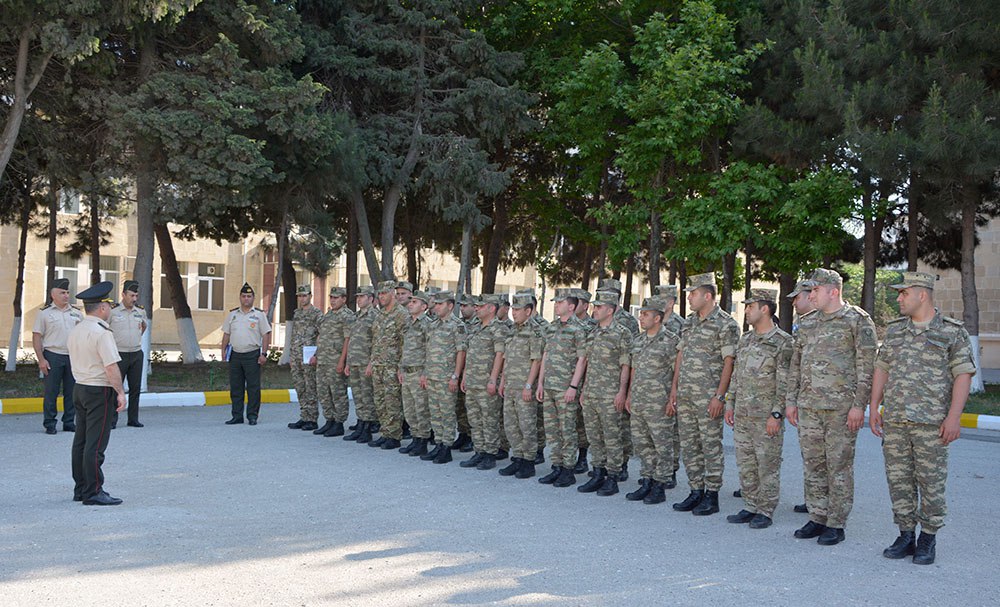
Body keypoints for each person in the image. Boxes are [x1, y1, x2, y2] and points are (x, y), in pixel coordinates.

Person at [870, 271, 976, 565]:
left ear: (922, 294)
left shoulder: (951, 332)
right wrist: (874, 405)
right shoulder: (894, 331)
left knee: (931, 482)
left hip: (931, 422)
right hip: (896, 420)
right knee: (899, 481)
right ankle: (906, 535)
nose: (899, 298)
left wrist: (954, 417)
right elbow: (882, 367)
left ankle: (928, 538)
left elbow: (963, 375)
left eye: (904, 293)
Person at [785, 268, 877, 546]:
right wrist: (791, 400)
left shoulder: (857, 321)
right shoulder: (808, 322)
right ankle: (817, 516)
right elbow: (796, 364)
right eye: (810, 291)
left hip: (840, 408)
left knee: (838, 466)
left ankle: (836, 523)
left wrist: (859, 406)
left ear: (833, 291)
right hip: (809, 406)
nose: (810, 295)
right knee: (813, 464)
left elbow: (867, 367)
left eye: (815, 290)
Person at [669, 272, 740, 516]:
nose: (689, 297)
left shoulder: (725, 323)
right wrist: (675, 389)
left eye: (693, 293)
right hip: (687, 394)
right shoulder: (688, 323)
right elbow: (681, 356)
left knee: (710, 445)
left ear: (707, 296)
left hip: (708, 396)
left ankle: (712, 494)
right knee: (689, 445)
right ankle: (695, 490)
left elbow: (729, 361)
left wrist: (720, 396)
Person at [724, 289, 792, 529]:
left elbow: (784, 383)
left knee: (767, 464)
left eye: (750, 306)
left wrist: (776, 413)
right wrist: (730, 403)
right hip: (743, 413)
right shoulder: (745, 340)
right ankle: (750, 505)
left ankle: (765, 510)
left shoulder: (783, 342)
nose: (746, 311)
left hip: (765, 416)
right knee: (746, 463)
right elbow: (736, 376)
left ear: (765, 309)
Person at [67, 281, 127, 506]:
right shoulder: (101, 332)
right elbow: (111, 367)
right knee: (96, 443)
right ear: (102, 307)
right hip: (98, 391)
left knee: (81, 441)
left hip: (80, 388)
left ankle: (81, 488)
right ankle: (93, 491)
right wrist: (120, 392)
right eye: (109, 305)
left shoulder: (77, 329)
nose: (110, 309)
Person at [625, 297, 681, 504]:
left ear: (657, 318)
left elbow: (677, 372)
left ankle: (660, 484)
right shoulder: (638, 341)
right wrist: (630, 394)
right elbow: (634, 370)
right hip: (639, 400)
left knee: (662, 445)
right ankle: (647, 479)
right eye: (640, 314)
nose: (641, 317)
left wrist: (672, 397)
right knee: (643, 444)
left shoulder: (671, 341)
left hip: (659, 402)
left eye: (645, 314)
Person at [577, 291, 633, 496]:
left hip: (610, 395)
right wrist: (583, 390)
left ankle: (613, 476)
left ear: (610, 310)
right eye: (595, 306)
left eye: (599, 307)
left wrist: (621, 392)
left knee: (612, 437)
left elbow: (626, 365)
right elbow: (587, 364)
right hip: (591, 393)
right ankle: (598, 472)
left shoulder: (622, 333)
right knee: (595, 437)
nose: (595, 310)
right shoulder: (592, 333)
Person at [536, 288, 588, 488]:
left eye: (560, 302)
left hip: (566, 387)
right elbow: (546, 355)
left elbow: (582, 359)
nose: (556, 305)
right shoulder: (551, 327)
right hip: (549, 385)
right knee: (552, 430)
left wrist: (573, 386)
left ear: (571, 306)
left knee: (567, 429)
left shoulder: (579, 329)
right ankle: (556, 466)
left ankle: (568, 469)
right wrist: (540, 382)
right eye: (555, 302)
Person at [460, 294, 511, 471]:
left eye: (480, 306)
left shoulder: (499, 328)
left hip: (486, 381)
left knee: (489, 419)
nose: (476, 308)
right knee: (475, 419)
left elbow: (500, 355)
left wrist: (493, 379)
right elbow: (470, 353)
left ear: (491, 308)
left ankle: (490, 453)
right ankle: (479, 450)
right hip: (473, 380)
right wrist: (465, 375)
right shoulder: (475, 327)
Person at [498, 294, 543, 479]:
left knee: (527, 426)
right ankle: (517, 457)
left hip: (524, 386)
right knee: (511, 425)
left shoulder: (535, 331)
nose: (514, 313)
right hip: (510, 385)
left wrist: (528, 385)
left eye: (518, 310)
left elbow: (536, 361)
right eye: (513, 309)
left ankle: (528, 461)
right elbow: (506, 358)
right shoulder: (511, 330)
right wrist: (502, 381)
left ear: (528, 311)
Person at [420, 291, 467, 464]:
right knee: (435, 412)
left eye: (440, 304)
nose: (436, 307)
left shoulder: (457, 325)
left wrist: (455, 375)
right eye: (436, 304)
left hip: (446, 377)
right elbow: (429, 351)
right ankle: (438, 443)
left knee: (447, 413)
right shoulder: (433, 325)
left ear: (450, 305)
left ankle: (446, 446)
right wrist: (425, 372)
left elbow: (461, 351)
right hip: (432, 375)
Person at [33, 277, 83, 434]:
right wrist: (41, 359)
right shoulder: (44, 314)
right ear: (53, 294)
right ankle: (50, 423)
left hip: (72, 357)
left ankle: (69, 422)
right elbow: (36, 337)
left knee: (72, 392)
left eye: (68, 292)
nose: (66, 295)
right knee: (51, 392)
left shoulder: (76, 313)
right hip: (52, 355)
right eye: (62, 292)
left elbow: (82, 335)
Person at [220, 283, 271, 426]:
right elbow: (226, 334)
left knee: (253, 388)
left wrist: (264, 354)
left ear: (253, 298)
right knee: (236, 387)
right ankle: (237, 416)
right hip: (235, 355)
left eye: (249, 296)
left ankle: (252, 416)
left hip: (252, 355)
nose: (246, 299)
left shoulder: (259, 315)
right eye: (244, 296)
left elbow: (266, 334)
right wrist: (223, 351)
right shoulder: (233, 315)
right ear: (240, 298)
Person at [367, 280, 410, 450]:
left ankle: (394, 436)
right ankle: (385, 432)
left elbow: (404, 343)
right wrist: (371, 362)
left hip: (392, 366)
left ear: (392, 294)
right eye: (380, 294)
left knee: (392, 402)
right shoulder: (381, 315)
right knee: (380, 401)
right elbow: (376, 342)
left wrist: (401, 367)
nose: (381, 297)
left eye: (384, 293)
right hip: (378, 365)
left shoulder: (402, 315)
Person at [787, 278, 816, 514]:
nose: (795, 302)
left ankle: (826, 507)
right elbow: (796, 363)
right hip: (807, 398)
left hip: (832, 402)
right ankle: (814, 501)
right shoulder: (803, 323)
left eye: (798, 297)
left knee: (832, 460)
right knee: (811, 456)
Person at [312, 287, 355, 437]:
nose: (333, 300)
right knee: (324, 392)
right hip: (323, 359)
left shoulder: (347, 316)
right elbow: (322, 337)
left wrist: (342, 362)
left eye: (336, 298)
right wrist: (316, 355)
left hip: (335, 360)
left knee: (337, 392)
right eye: (331, 297)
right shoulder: (328, 315)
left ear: (344, 299)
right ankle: (329, 420)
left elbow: (348, 340)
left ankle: (339, 422)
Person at [653, 284, 684, 488]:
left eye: (662, 299)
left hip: (671, 381)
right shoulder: (653, 322)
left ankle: (670, 470)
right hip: (654, 383)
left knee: (671, 431)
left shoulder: (680, 324)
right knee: (655, 430)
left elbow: (681, 357)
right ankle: (655, 470)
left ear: (671, 302)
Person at [109, 280, 146, 429]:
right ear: (123, 294)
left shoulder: (140, 311)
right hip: (119, 354)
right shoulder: (113, 311)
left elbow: (143, 327)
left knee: (135, 388)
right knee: (116, 388)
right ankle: (112, 419)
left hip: (136, 354)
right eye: (132, 295)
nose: (135, 299)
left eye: (136, 295)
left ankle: (133, 419)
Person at [398, 291, 432, 456]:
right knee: (410, 409)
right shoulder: (408, 323)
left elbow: (429, 351)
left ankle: (423, 441)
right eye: (410, 302)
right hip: (407, 372)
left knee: (421, 409)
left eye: (415, 302)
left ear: (424, 307)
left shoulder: (427, 324)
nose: (410, 304)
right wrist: (400, 368)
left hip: (419, 373)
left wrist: (425, 373)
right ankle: (415, 438)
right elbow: (404, 349)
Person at [344, 286, 378, 443]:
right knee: (358, 396)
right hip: (355, 362)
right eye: (358, 296)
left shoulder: (375, 316)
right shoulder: (355, 316)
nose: (359, 299)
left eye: (362, 296)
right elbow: (351, 340)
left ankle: (367, 428)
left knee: (367, 396)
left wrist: (372, 363)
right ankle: (360, 423)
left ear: (371, 299)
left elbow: (377, 343)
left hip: (366, 363)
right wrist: (348, 363)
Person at [287, 285, 322, 431]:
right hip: (296, 355)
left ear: (310, 296)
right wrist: (290, 355)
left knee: (310, 387)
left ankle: (312, 419)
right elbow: (294, 335)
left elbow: (322, 335)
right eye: (299, 296)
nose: (302, 298)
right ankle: (304, 416)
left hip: (309, 356)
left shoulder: (317, 314)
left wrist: (317, 354)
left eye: (304, 295)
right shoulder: (297, 313)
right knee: (300, 387)